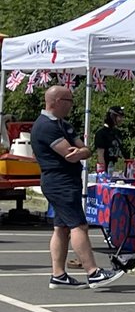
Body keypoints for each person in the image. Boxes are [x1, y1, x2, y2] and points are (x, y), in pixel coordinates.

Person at [30, 85, 124, 289]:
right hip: (58, 181)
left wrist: (82, 152)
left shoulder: (63, 124)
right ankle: (93, 272)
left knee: (61, 228)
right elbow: (69, 154)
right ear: (55, 101)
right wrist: (80, 152)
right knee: (79, 226)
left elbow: (84, 149)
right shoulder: (46, 126)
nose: (72, 105)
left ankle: (58, 275)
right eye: (69, 101)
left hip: (66, 181)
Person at [92, 105, 126, 174]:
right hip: (106, 170)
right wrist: (102, 173)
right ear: (112, 116)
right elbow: (100, 155)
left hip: (117, 170)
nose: (122, 119)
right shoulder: (101, 134)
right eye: (119, 117)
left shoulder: (118, 133)